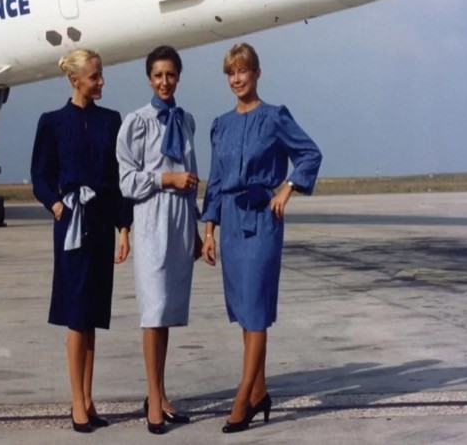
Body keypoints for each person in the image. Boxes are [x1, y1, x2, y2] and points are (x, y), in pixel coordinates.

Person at [201, 42, 321, 434]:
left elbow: (309, 155)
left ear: (257, 73)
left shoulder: (274, 117)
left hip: (263, 220)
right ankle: (260, 392)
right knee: (245, 314)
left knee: (256, 312)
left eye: (243, 71)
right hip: (231, 225)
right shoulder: (220, 124)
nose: (237, 79)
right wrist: (209, 231)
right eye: (231, 73)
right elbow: (216, 182)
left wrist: (288, 188)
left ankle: (242, 399)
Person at [31, 48, 132, 434]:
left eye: (101, 74)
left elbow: (120, 179)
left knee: (92, 316)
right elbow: (40, 173)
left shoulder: (111, 121)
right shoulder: (52, 122)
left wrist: (124, 228)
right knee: (76, 316)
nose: (101, 81)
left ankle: (89, 400)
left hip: (102, 222)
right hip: (71, 223)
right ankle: (76, 401)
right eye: (94, 77)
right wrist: (55, 204)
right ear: (76, 81)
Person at [116, 45, 199, 435]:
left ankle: (160, 394)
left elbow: (193, 175)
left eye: (171, 74)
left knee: (166, 312)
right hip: (151, 219)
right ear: (149, 78)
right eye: (158, 75)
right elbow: (128, 181)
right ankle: (151, 399)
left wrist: (198, 229)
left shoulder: (186, 121)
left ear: (178, 76)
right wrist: (167, 179)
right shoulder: (136, 123)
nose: (164, 82)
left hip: (181, 220)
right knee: (152, 311)